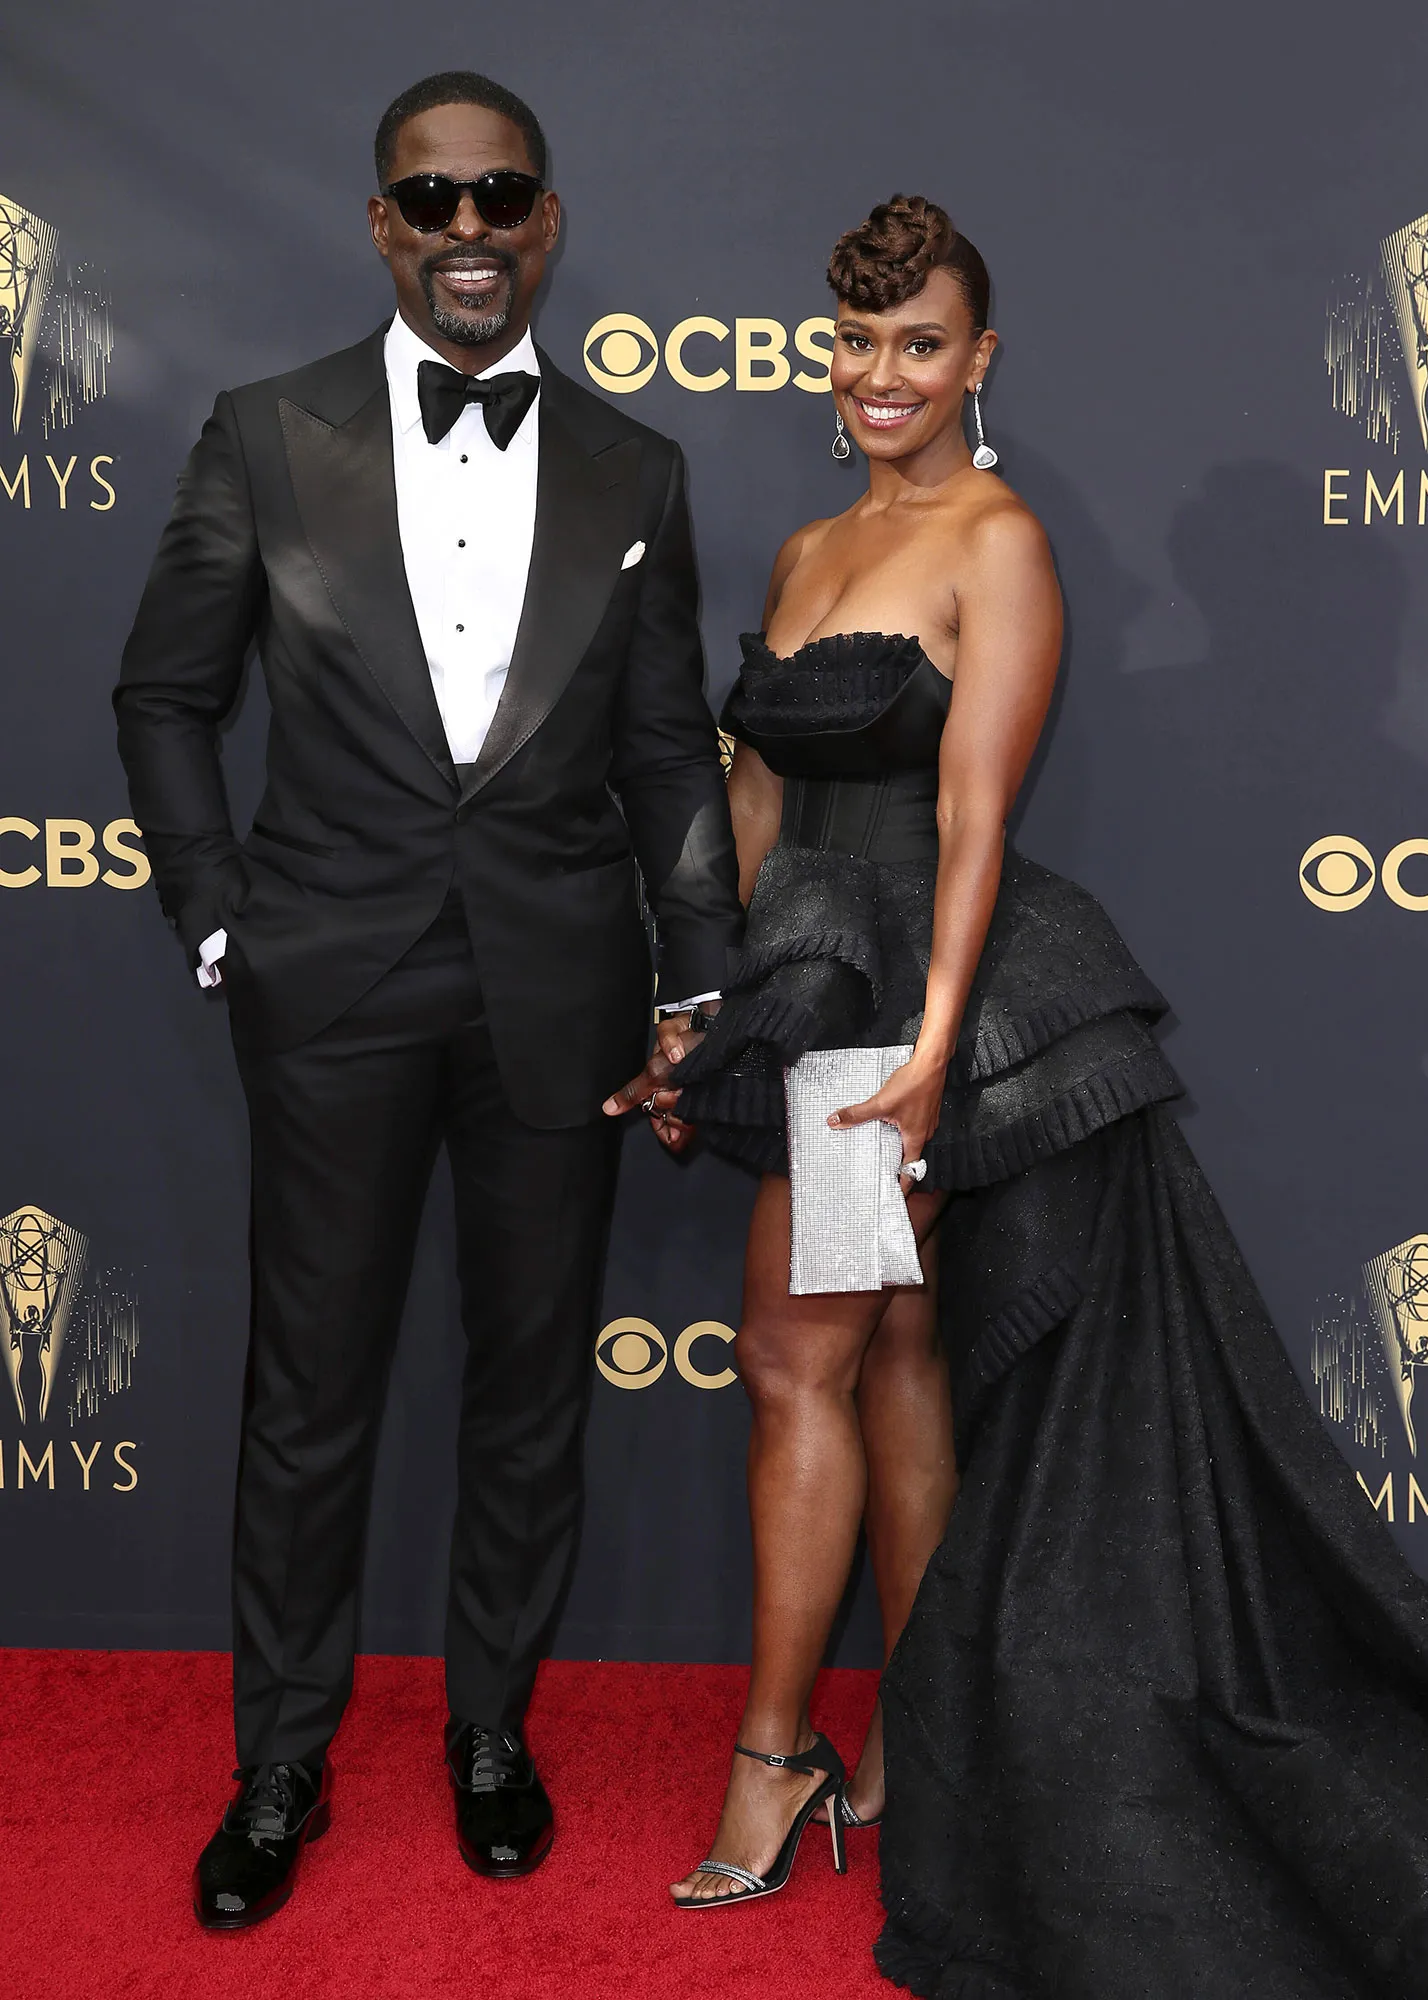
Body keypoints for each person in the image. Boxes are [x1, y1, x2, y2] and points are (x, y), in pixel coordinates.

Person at [614, 196, 1428, 1994]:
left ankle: (778, 1761)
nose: (880, 375)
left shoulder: (997, 542)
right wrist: (701, 1016)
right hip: (812, 997)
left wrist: (934, 1049)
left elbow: (974, 816)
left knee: (794, 1361)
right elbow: (761, 800)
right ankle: (928, 1745)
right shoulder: (807, 548)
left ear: (980, 358)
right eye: (856, 341)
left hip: (909, 1015)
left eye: (918, 344)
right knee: (889, 1357)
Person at [114, 71, 741, 1930]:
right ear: (383, 224)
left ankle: (489, 1732)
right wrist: (219, 914)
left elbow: (667, 751)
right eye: (435, 199)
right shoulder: (263, 432)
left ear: (548, 223)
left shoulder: (639, 466)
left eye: (504, 196)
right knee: (308, 1392)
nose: (472, 230)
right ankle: (280, 1760)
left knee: (532, 1386)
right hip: (330, 981)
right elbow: (164, 694)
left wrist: (699, 970)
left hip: (561, 987)